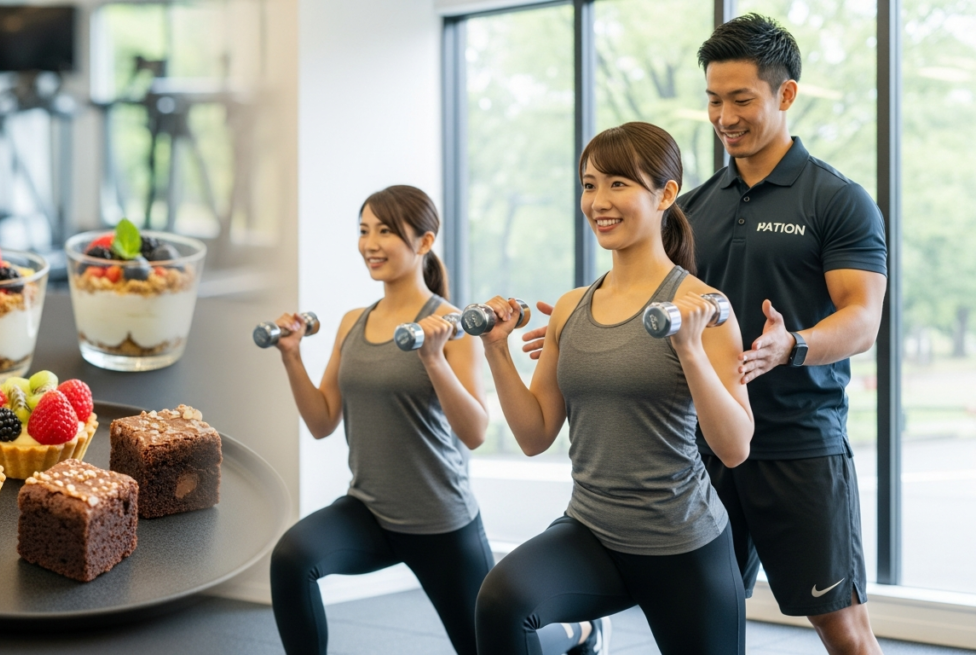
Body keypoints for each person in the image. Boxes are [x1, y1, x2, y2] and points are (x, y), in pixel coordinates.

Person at [522, 15, 888, 655]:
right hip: (701, 449)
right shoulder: (692, 204)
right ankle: (586, 626)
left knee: (843, 628)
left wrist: (791, 345)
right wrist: (578, 326)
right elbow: (649, 290)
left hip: (798, 444)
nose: (724, 116)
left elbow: (863, 317)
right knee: (711, 615)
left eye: (741, 99)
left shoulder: (836, 199)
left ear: (785, 94)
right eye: (714, 100)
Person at [265, 185, 602, 655]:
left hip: (441, 523)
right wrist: (292, 356)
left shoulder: (452, 324)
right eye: (364, 231)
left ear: (424, 242)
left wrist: (432, 357)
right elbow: (322, 421)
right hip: (368, 512)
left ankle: (579, 632)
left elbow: (476, 431)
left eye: (385, 231)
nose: (370, 244)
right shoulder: (351, 323)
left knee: (492, 645)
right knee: (291, 557)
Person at [473, 122, 753, 655]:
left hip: (683, 545)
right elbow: (534, 435)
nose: (599, 200)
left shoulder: (702, 306)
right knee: (501, 602)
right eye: (588, 184)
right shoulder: (572, 308)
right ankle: (587, 637)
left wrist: (691, 350)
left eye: (619, 184)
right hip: (593, 533)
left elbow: (735, 448)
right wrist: (495, 351)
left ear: (665, 195)